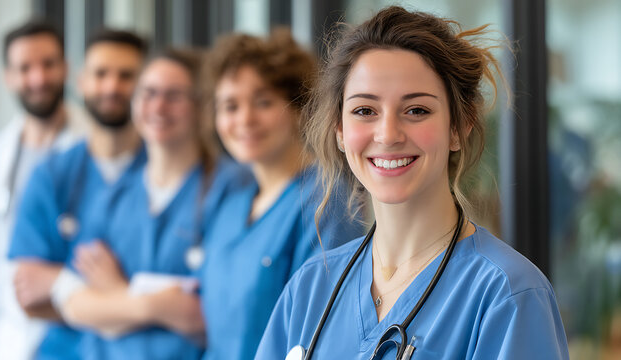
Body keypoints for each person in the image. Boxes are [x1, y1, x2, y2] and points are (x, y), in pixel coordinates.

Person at [256, 7, 569, 360]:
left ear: (458, 127)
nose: (388, 135)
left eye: (417, 110)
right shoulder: (311, 288)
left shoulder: (507, 294)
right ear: (339, 131)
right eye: (364, 111)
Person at [57, 48, 245, 360]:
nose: (158, 106)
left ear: (200, 107)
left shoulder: (231, 189)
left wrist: (115, 301)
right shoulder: (115, 195)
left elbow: (216, 320)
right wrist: (154, 305)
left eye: (174, 96)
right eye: (149, 93)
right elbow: (74, 304)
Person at [200, 29, 366, 360]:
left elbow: (325, 333)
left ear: (296, 107)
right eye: (230, 106)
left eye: (263, 102)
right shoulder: (231, 200)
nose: (245, 119)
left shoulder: (325, 200)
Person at [7, 29, 148, 359]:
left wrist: (60, 282)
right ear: (81, 80)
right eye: (101, 74)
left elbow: (192, 305)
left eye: (126, 76)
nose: (112, 87)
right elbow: (29, 295)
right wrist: (142, 306)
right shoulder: (52, 175)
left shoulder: (168, 174)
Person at [0, 20, 86, 360]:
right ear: (7, 76)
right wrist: (27, 301)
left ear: (66, 68)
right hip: (16, 337)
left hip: (86, 333)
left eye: (48, 64)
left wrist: (64, 296)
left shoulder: (93, 149)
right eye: (25, 68)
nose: (39, 78)